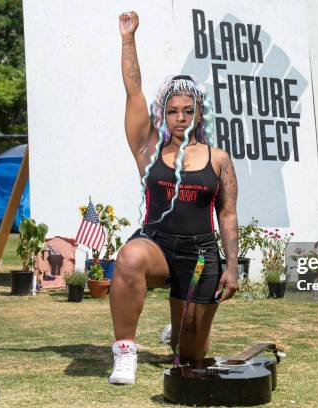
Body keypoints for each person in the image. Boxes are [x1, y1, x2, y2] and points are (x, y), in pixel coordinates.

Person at [108, 11, 239, 385]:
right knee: (129, 257)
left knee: (190, 357)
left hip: (200, 254)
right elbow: (133, 90)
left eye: (187, 111)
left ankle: (177, 330)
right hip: (158, 245)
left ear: (198, 114)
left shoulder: (218, 160)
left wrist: (231, 266)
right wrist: (128, 39)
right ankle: (125, 353)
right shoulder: (149, 148)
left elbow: (227, 216)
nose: (180, 117)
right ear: (163, 114)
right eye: (172, 111)